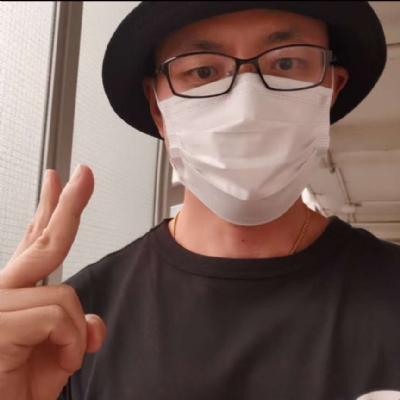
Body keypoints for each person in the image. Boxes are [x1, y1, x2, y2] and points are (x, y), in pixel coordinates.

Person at [0, 2, 399, 400]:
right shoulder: (71, 328)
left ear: (332, 89)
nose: (247, 108)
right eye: (203, 71)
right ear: (157, 106)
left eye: (287, 63)